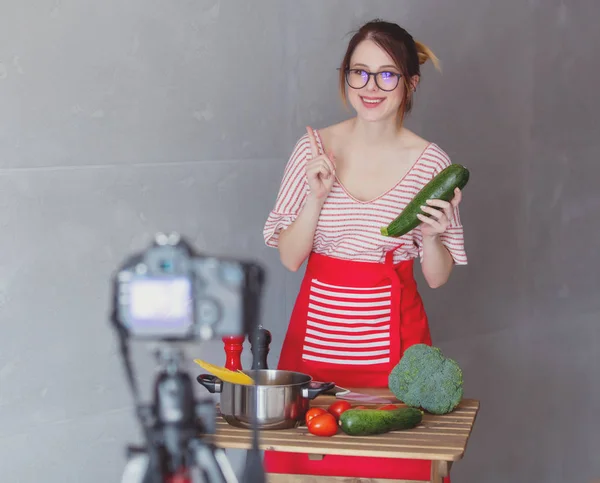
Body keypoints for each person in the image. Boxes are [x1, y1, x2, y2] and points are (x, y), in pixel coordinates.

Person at [261, 18, 466, 482]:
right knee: (303, 468)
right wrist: (315, 197)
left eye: (387, 74)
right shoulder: (313, 148)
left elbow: (437, 276)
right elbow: (291, 257)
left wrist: (433, 236)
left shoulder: (432, 163)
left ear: (410, 83)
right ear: (345, 77)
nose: (371, 87)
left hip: (394, 351)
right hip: (315, 344)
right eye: (359, 72)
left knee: (400, 466)